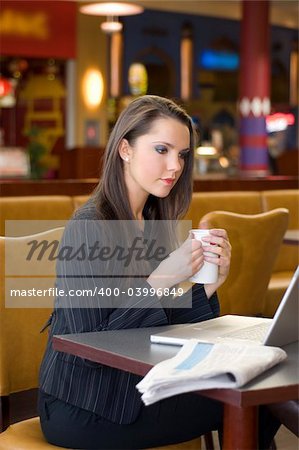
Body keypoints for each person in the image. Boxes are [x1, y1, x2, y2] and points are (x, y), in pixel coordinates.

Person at [38, 95, 279, 449]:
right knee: (259, 400)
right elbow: (87, 343)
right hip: (84, 405)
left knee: (263, 391)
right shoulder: (90, 227)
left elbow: (155, 323)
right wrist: (164, 276)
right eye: (162, 149)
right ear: (125, 149)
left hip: (138, 385)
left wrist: (207, 286)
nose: (175, 166)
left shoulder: (152, 221)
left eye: (181, 155)